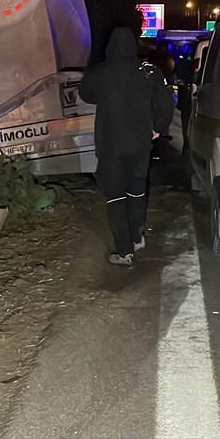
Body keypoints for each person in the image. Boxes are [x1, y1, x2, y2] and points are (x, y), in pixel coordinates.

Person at [79, 27, 175, 266]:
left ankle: (124, 251)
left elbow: (85, 95)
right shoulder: (149, 70)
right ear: (133, 46)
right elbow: (167, 101)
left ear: (110, 47)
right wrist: (158, 129)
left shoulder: (98, 72)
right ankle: (137, 237)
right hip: (140, 144)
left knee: (115, 197)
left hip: (110, 144)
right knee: (136, 191)